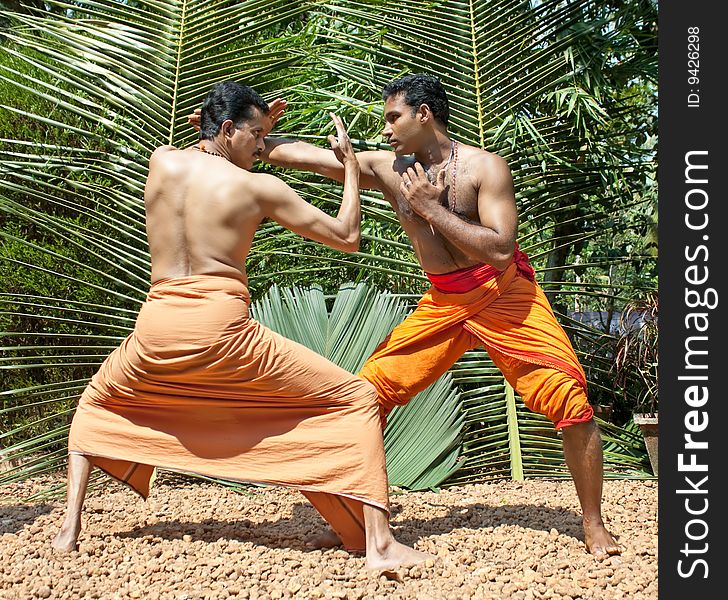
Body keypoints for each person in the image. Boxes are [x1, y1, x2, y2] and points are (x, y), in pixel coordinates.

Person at [190, 73, 622, 559]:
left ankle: (592, 522)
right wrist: (261, 130)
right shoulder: (388, 167)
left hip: (505, 295)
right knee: (364, 400)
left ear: (424, 113)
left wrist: (430, 210)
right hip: (442, 302)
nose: (386, 128)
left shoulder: (485, 168)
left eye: (393, 117)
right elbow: (299, 155)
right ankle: (353, 518)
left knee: (570, 401)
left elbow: (501, 250)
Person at [52, 80, 432, 571]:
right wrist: (352, 169)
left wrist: (240, 125)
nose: (262, 146)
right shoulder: (257, 187)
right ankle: (380, 545)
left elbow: (203, 136)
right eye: (256, 135)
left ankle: (68, 528)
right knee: (356, 398)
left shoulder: (162, 160)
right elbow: (347, 236)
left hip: (154, 327)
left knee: (96, 403)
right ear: (229, 129)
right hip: (221, 329)